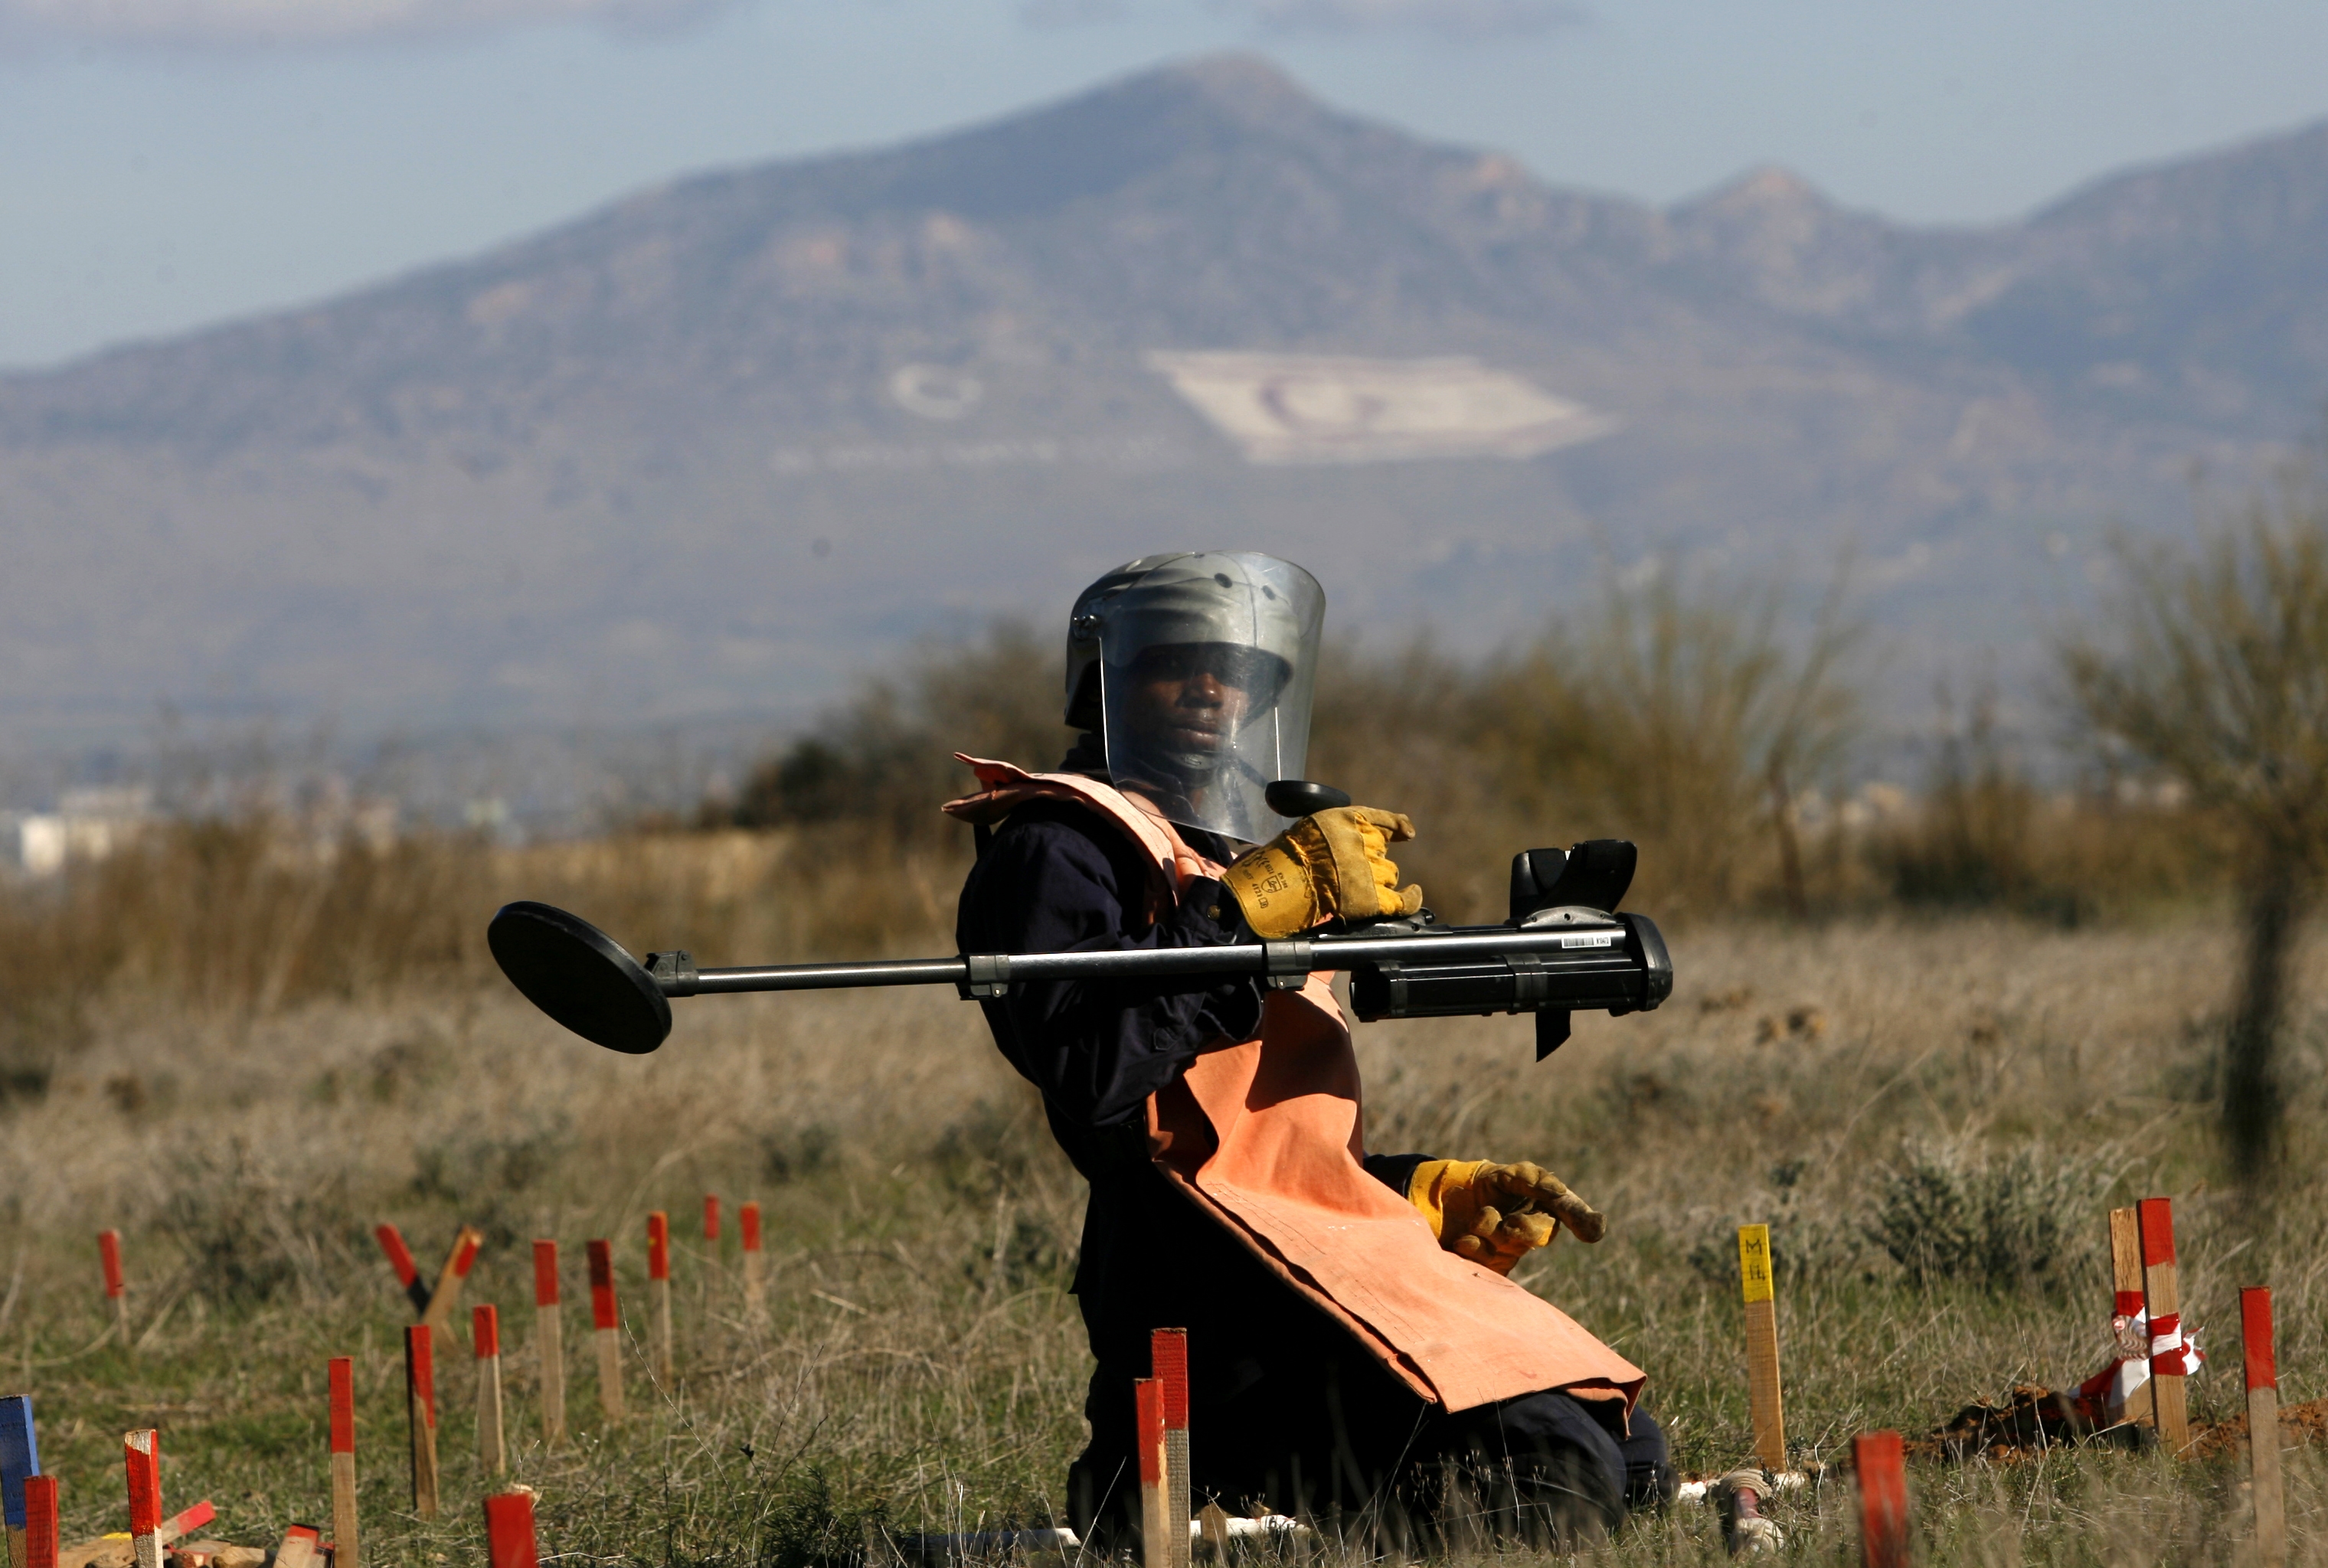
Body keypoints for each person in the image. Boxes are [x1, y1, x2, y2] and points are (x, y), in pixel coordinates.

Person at [947, 553, 1673, 1551]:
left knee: (1631, 1455)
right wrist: (1232, 921)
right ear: (1104, 684)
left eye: (1237, 669)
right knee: (1549, 1480)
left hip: (1297, 1265)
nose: (1211, 686)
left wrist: (1418, 1192)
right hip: (1208, 1297)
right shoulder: (1058, 849)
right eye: (1177, 663)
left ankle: (1167, 1495)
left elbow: (1259, 1140)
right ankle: (1181, 1491)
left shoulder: (1237, 855)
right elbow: (1094, 1079)